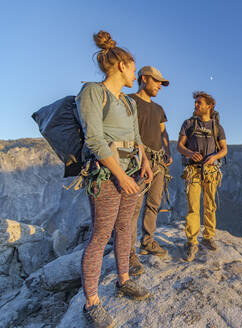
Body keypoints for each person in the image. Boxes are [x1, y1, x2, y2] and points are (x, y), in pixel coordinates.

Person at [77, 30, 153, 328]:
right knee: (100, 235)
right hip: (108, 175)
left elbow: (135, 138)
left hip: (131, 172)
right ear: (121, 65)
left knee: (125, 228)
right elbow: (94, 139)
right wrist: (121, 176)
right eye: (133, 68)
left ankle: (123, 280)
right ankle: (92, 302)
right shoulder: (93, 93)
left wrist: (144, 162)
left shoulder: (129, 103)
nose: (135, 73)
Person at [128, 66, 172, 276]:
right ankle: (127, 253)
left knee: (153, 204)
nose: (159, 87)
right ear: (144, 78)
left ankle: (147, 241)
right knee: (133, 207)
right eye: (157, 82)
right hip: (136, 161)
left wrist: (168, 151)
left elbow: (164, 133)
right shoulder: (129, 102)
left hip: (158, 161)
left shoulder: (158, 109)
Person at [177, 91, 228, 262]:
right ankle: (192, 241)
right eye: (196, 103)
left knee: (210, 205)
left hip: (210, 171)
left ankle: (208, 236)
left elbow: (224, 149)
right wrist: (191, 153)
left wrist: (214, 157)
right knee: (193, 206)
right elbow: (179, 146)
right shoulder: (189, 123)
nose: (196, 105)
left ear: (209, 105)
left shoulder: (217, 127)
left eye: (199, 103)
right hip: (193, 170)